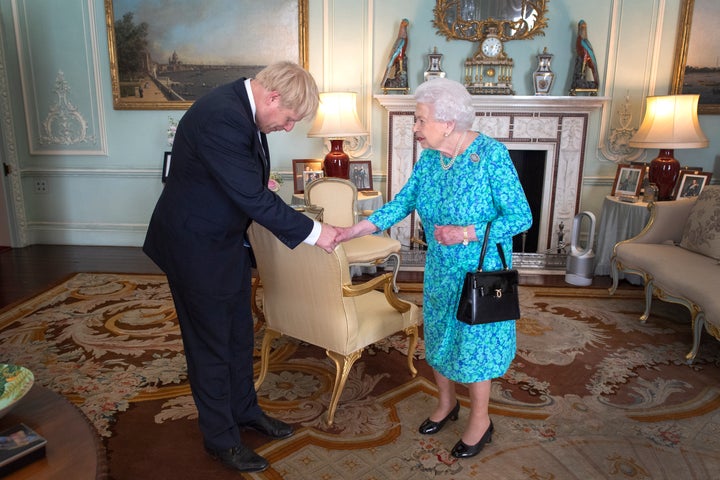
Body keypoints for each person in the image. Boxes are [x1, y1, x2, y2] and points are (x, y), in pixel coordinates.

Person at [143, 61, 340, 473]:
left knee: (238, 334)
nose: (288, 128)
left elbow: (244, 183)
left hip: (224, 241)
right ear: (272, 97)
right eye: (289, 119)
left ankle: (246, 412)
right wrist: (317, 233)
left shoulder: (241, 107)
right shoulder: (221, 116)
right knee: (211, 345)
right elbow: (252, 196)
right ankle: (221, 439)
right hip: (194, 246)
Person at [337, 78, 532, 458]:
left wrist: (465, 232)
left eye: (420, 119)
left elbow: (521, 217)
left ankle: (481, 419)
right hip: (441, 269)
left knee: (475, 347)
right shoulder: (431, 158)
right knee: (440, 336)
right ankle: (446, 404)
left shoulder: (490, 155)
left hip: (481, 270)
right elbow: (403, 201)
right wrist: (356, 228)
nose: (415, 127)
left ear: (448, 122)